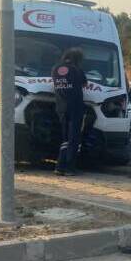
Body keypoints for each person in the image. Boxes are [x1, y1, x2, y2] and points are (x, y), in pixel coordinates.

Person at [52, 47, 86, 176]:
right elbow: (84, 84)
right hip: (75, 107)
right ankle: (69, 168)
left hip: (61, 108)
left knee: (65, 138)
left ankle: (59, 166)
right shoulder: (76, 70)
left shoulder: (55, 69)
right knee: (74, 138)